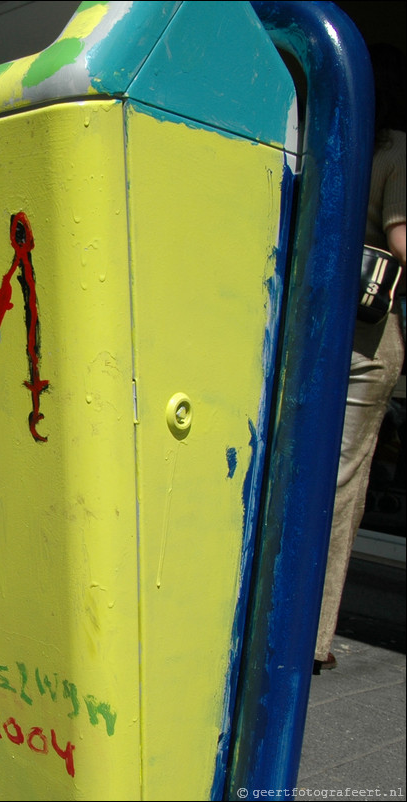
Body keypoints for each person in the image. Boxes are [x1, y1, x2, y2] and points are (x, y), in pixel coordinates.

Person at [314, 44, 405, 674]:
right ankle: (313, 636)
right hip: (368, 340)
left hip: (311, 327)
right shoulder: (400, 152)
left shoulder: (327, 135)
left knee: (293, 476)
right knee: (340, 487)